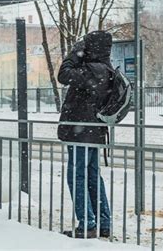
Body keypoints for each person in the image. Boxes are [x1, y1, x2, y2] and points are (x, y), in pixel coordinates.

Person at [57, 31, 113, 239]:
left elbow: (63, 74)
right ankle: (103, 222)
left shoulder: (90, 70)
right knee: (92, 176)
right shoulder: (107, 69)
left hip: (80, 132)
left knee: (77, 176)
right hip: (95, 131)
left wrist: (74, 53)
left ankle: (87, 224)